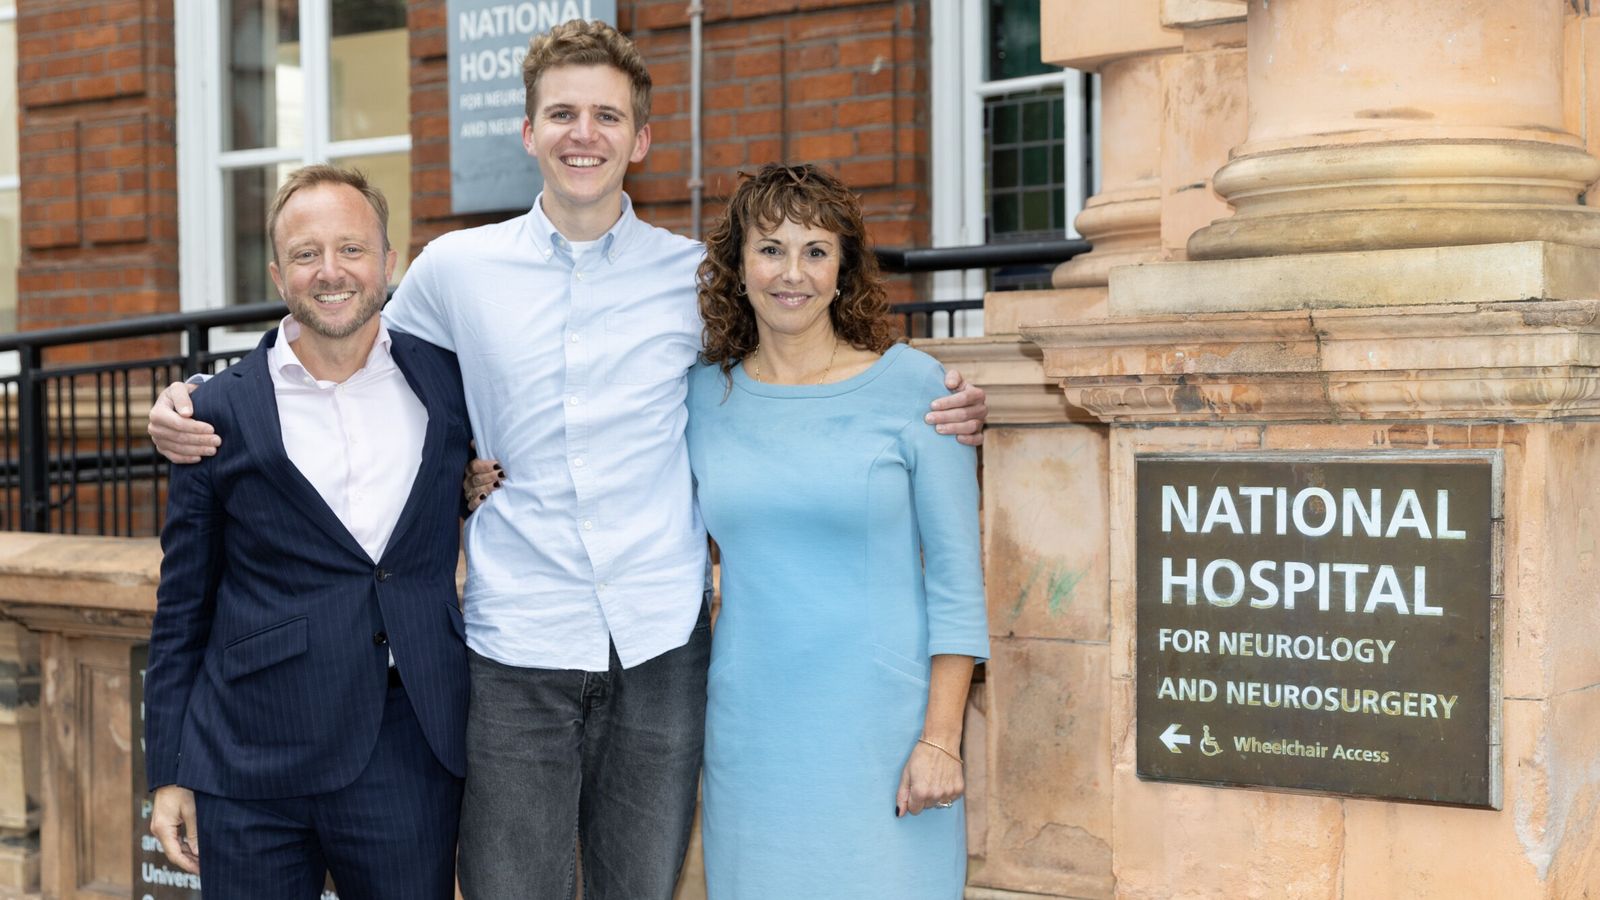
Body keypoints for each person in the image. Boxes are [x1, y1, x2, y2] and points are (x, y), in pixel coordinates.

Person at [147, 20, 988, 898]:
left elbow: (795, 372)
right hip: (517, 649)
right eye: (562, 114)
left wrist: (938, 397)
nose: (584, 134)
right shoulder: (456, 270)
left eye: (607, 116)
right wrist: (200, 394)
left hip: (660, 648)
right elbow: (343, 333)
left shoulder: (697, 280)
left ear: (640, 140)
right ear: (528, 132)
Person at [143, 165, 472, 899]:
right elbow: (182, 606)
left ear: (389, 262)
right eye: (306, 254)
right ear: (277, 274)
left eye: (352, 249)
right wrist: (168, 769)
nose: (331, 272)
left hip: (408, 745)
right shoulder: (214, 413)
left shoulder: (449, 386)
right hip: (249, 756)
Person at [686, 163, 987, 898]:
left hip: (888, 735)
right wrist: (476, 472)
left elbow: (957, 580)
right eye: (770, 249)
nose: (793, 273)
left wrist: (941, 739)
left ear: (843, 269)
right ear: (738, 268)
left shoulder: (916, 388)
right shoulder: (699, 398)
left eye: (815, 251)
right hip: (752, 736)